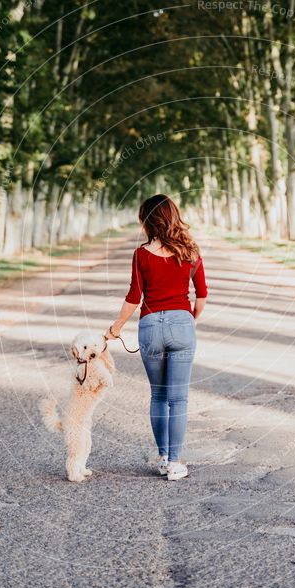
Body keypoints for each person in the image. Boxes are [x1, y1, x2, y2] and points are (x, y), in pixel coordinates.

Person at [106, 194, 208, 481]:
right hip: (182, 324)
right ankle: (176, 463)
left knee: (159, 395)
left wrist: (115, 329)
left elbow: (133, 297)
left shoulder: (141, 254)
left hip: (150, 326)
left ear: (147, 221)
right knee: (179, 399)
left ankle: (163, 457)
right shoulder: (191, 251)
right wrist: (187, 320)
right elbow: (201, 295)